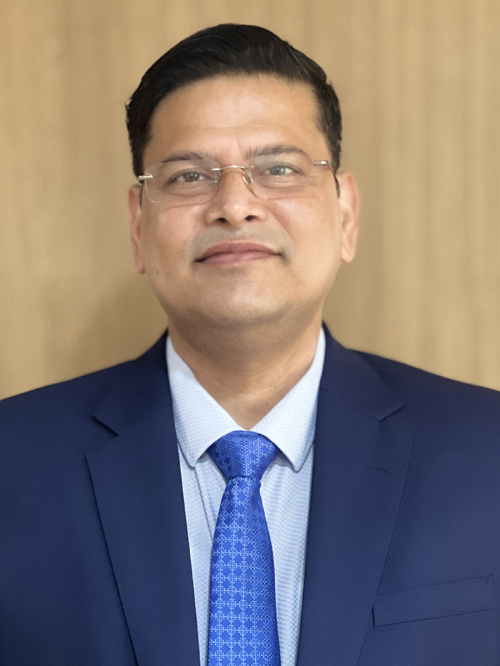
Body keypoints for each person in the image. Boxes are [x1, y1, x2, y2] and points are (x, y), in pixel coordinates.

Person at [1, 23, 499, 666]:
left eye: (279, 169)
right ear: (138, 225)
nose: (234, 206)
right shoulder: (14, 464)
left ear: (346, 214)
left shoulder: (485, 453)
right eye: (189, 176)